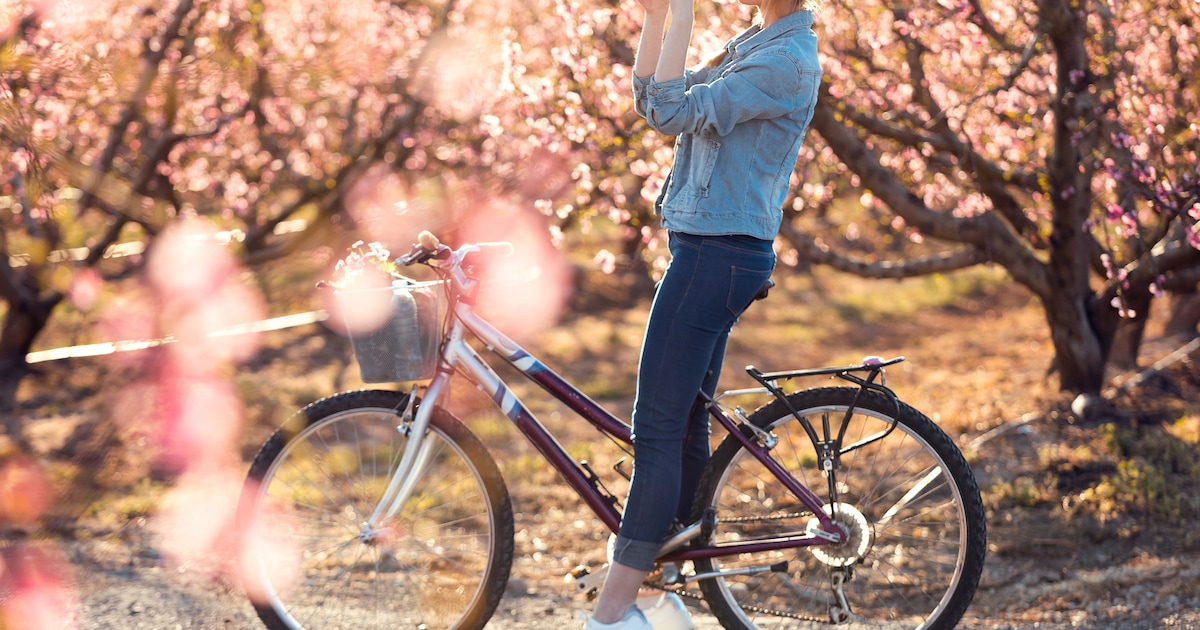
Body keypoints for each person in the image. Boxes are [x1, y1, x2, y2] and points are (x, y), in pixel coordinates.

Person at [582, 0, 822, 627]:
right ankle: (663, 599)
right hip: (706, 252)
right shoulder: (758, 41)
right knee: (685, 425)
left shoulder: (786, 62)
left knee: (656, 429)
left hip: (716, 260)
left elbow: (670, 112)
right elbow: (650, 96)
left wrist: (680, 9)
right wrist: (659, 20)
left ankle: (613, 611)